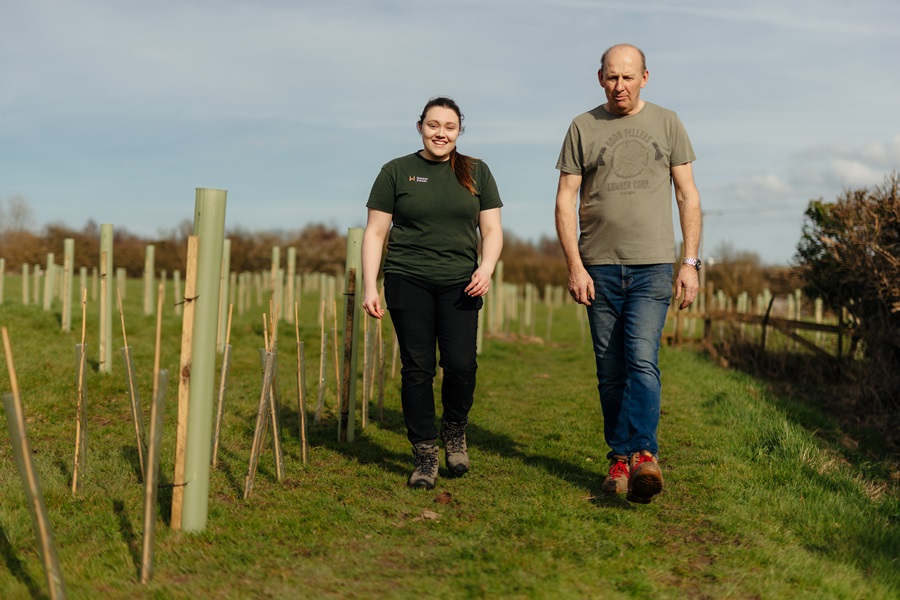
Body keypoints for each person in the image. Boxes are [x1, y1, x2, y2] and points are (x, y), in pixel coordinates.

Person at [554, 44, 702, 504]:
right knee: (609, 369)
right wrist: (575, 265)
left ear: (645, 77)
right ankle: (617, 460)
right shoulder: (582, 126)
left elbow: (687, 195)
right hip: (598, 266)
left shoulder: (668, 122)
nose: (620, 86)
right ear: (600, 78)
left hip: (653, 265)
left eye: (628, 77)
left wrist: (691, 262)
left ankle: (643, 454)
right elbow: (565, 199)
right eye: (612, 77)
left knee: (640, 359)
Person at [362, 96, 503, 490]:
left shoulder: (476, 172)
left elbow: (491, 230)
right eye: (433, 125)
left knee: (461, 365)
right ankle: (424, 453)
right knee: (417, 369)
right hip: (408, 279)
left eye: (449, 127)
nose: (441, 133)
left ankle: (455, 430)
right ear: (420, 126)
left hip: (461, 282)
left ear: (459, 131)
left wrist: (486, 267)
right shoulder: (397, 171)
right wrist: (371, 284)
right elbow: (376, 232)